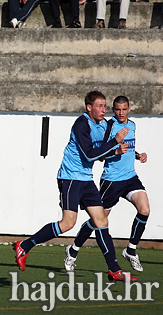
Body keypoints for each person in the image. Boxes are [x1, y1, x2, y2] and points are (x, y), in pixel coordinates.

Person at [13, 91, 136, 282]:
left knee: (101, 220)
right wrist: (115, 142)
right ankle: (25, 245)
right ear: (89, 108)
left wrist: (116, 150)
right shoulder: (81, 124)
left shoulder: (103, 125)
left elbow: (101, 155)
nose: (103, 110)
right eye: (99, 106)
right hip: (70, 178)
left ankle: (114, 270)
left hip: (86, 179)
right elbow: (88, 154)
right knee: (68, 223)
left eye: (104, 106)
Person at [64, 96, 151, 273]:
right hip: (111, 180)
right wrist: (116, 150)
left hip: (130, 177)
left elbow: (129, 148)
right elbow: (101, 154)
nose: (121, 113)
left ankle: (131, 250)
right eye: (117, 110)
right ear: (113, 109)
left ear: (129, 109)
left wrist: (138, 155)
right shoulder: (108, 126)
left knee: (145, 209)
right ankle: (73, 250)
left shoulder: (132, 125)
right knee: (98, 220)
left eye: (124, 109)